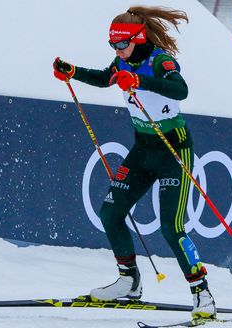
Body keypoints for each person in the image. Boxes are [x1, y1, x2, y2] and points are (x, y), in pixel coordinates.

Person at [53, 6, 216, 319]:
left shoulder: (160, 60)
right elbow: (105, 79)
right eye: (113, 46)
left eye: (122, 45)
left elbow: (180, 89)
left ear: (139, 39)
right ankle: (129, 281)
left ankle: (202, 293)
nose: (117, 52)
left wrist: (140, 82)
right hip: (143, 149)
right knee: (111, 212)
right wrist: (73, 72)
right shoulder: (122, 61)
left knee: (172, 227)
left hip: (173, 150)